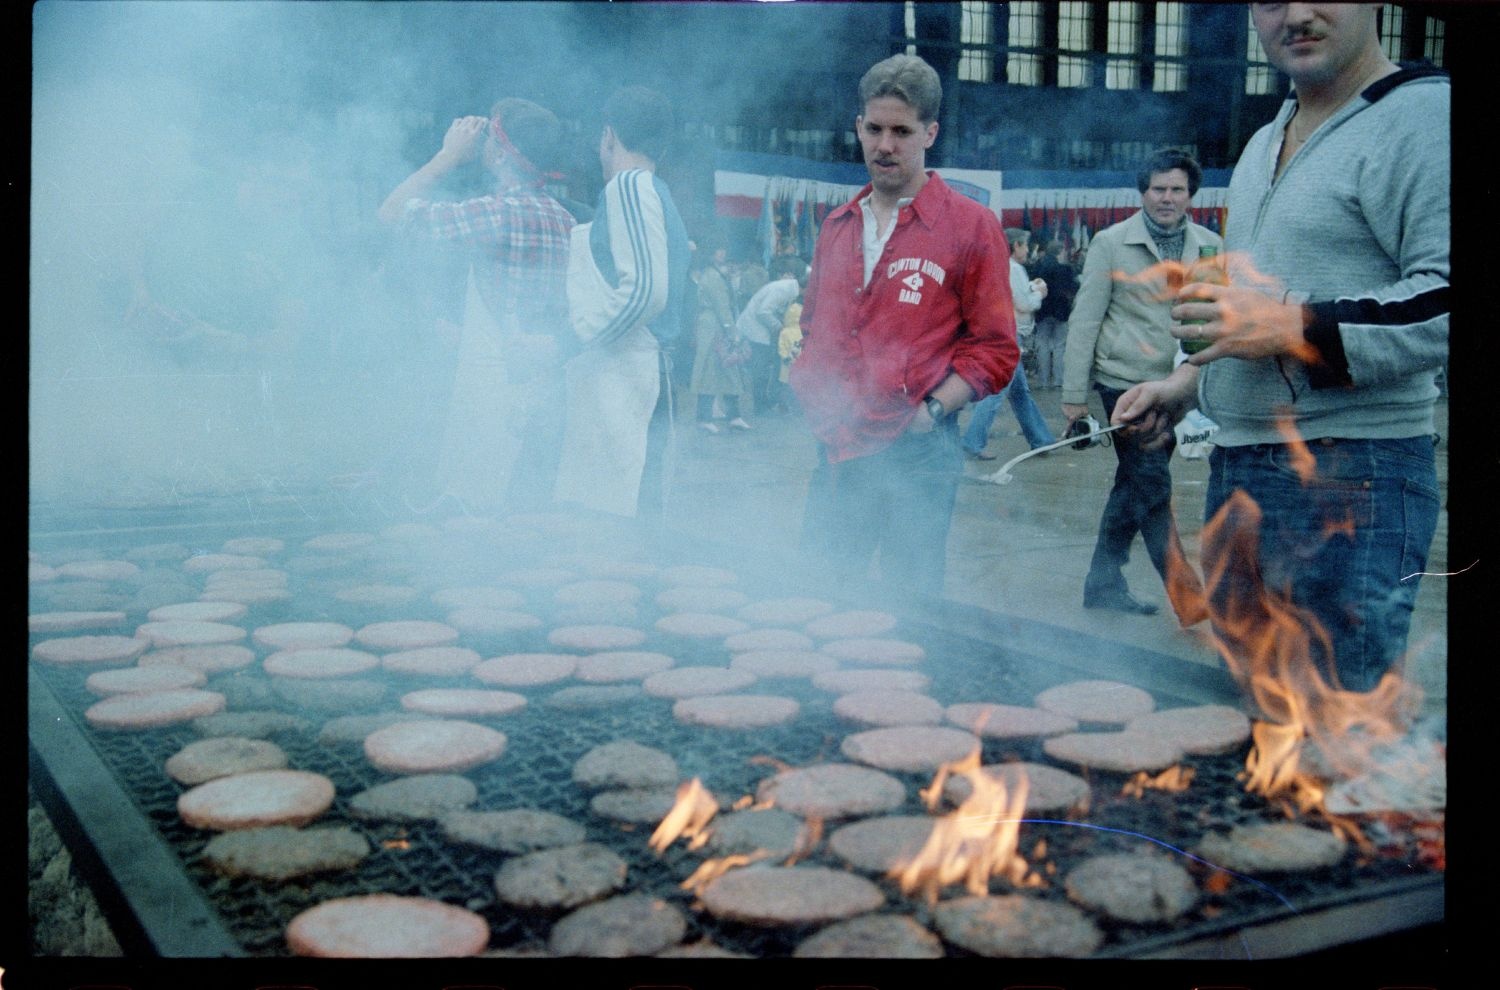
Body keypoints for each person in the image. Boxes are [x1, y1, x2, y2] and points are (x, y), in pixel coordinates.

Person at [1111, 3, 1447, 692]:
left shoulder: (1424, 118)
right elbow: (1244, 302)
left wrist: (1291, 326)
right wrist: (1185, 386)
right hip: (1240, 471)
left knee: (1332, 734)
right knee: (1251, 727)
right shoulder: (1265, 141)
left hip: (1355, 477)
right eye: (1268, 0)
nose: (1294, 14)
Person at [790, 54, 1018, 596]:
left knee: (909, 608)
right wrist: (810, 384)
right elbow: (813, 321)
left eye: (901, 131)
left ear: (930, 133)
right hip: (839, 446)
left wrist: (933, 409)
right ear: (858, 128)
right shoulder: (837, 226)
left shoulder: (970, 227)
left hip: (917, 453)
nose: (884, 145)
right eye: (873, 129)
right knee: (818, 594)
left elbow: (996, 348)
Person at [377, 98, 574, 515]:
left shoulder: (496, 212)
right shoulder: (564, 218)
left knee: (476, 526)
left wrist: (446, 157)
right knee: (526, 525)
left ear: (501, 152)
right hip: (543, 394)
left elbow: (392, 213)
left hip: (493, 396)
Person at [1061, 147, 1222, 617]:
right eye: (1158, 189)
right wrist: (1074, 398)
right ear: (1142, 192)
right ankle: (1186, 593)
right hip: (1123, 384)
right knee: (1150, 483)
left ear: (1191, 194)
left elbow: (1216, 318)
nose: (1166, 198)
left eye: (1176, 189)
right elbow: (1085, 320)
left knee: (1132, 486)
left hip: (1179, 388)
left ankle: (1102, 584)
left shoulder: (1210, 247)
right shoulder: (1111, 243)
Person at [552, 85, 693, 519]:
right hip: (635, 379)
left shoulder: (629, 185)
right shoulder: (652, 192)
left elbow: (644, 292)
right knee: (628, 518)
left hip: (629, 380)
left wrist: (566, 341)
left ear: (608, 135)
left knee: (615, 526)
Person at [961, 227, 1056, 460]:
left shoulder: (997, 265)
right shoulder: (1015, 268)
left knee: (1020, 392)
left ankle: (1041, 439)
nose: (1028, 249)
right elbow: (1024, 305)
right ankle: (973, 441)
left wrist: (1030, 289)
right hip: (1011, 334)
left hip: (1003, 331)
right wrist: (1039, 294)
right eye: (1025, 245)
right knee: (998, 391)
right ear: (1016, 246)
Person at [688, 238, 751, 434]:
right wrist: (732, 332)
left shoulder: (716, 274)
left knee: (729, 370)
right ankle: (704, 417)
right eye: (718, 250)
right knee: (709, 370)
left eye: (723, 249)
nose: (722, 253)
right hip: (712, 325)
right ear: (710, 254)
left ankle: (734, 415)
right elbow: (722, 307)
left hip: (717, 324)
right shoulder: (712, 277)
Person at [734, 254, 806, 417]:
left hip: (761, 330)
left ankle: (766, 403)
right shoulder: (784, 290)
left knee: (765, 367)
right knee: (760, 369)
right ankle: (760, 407)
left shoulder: (790, 289)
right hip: (755, 330)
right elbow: (763, 312)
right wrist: (780, 327)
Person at [1031, 239, 1079, 389]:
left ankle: (1043, 381)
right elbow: (1074, 287)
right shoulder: (1065, 269)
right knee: (1060, 346)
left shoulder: (1038, 268)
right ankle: (1058, 380)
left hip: (1042, 310)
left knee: (1042, 345)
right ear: (1060, 251)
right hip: (1061, 311)